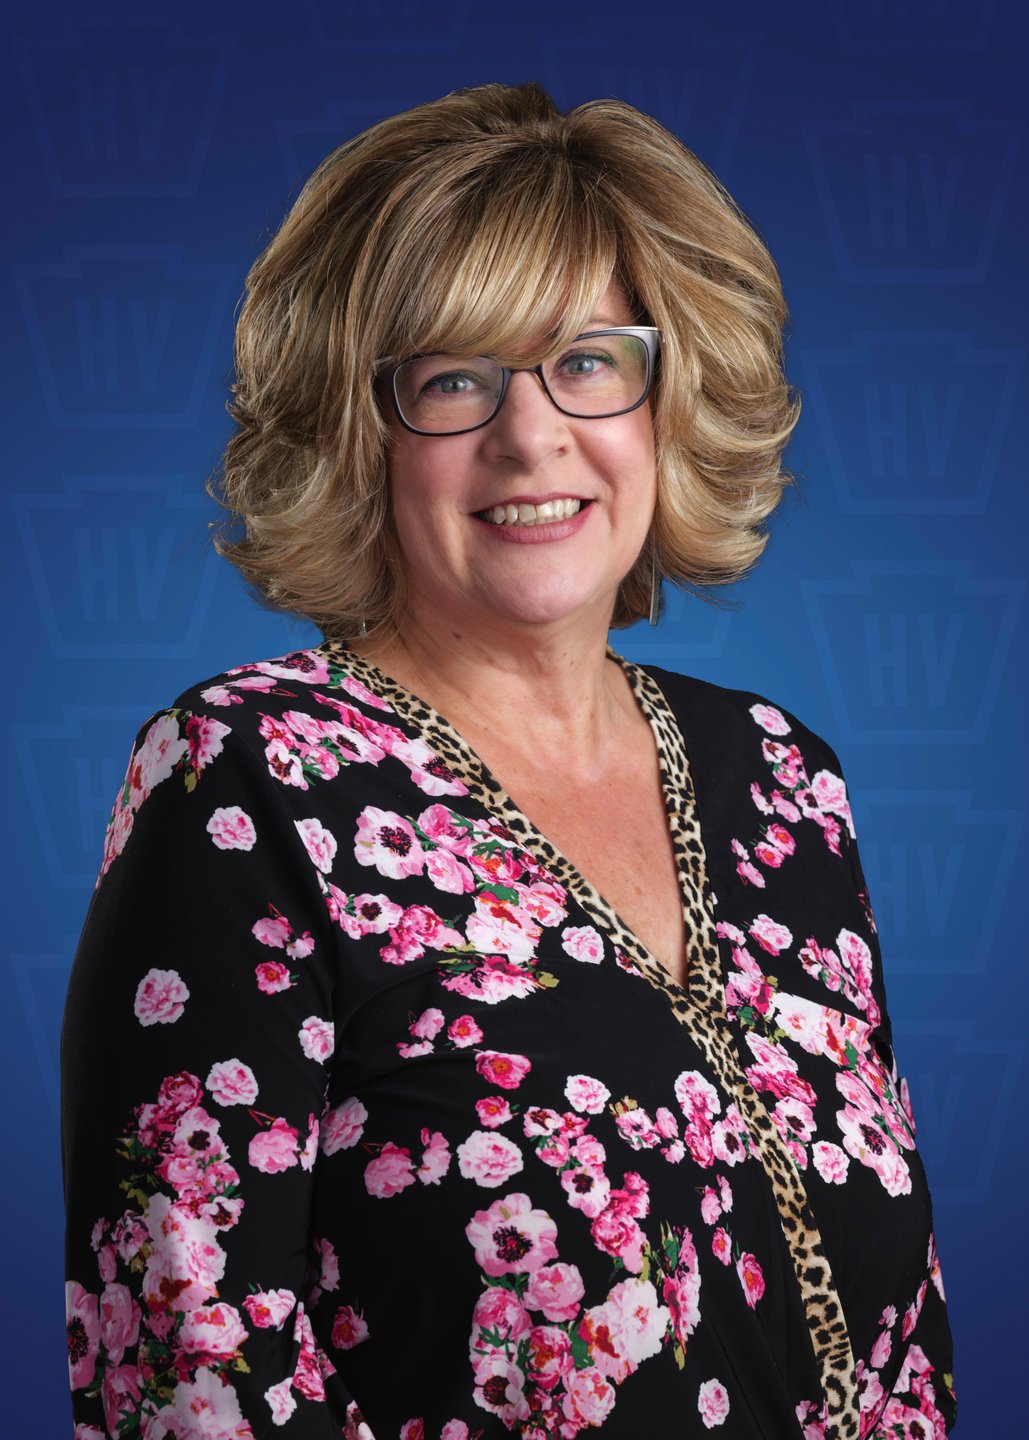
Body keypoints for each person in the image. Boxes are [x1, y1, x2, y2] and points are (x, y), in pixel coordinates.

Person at [62, 82, 956, 1439]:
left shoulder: (782, 779)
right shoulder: (247, 779)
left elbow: (897, 1337)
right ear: (356, 431)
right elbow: (182, 1371)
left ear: (671, 389)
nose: (530, 435)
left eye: (589, 360)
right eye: (453, 378)